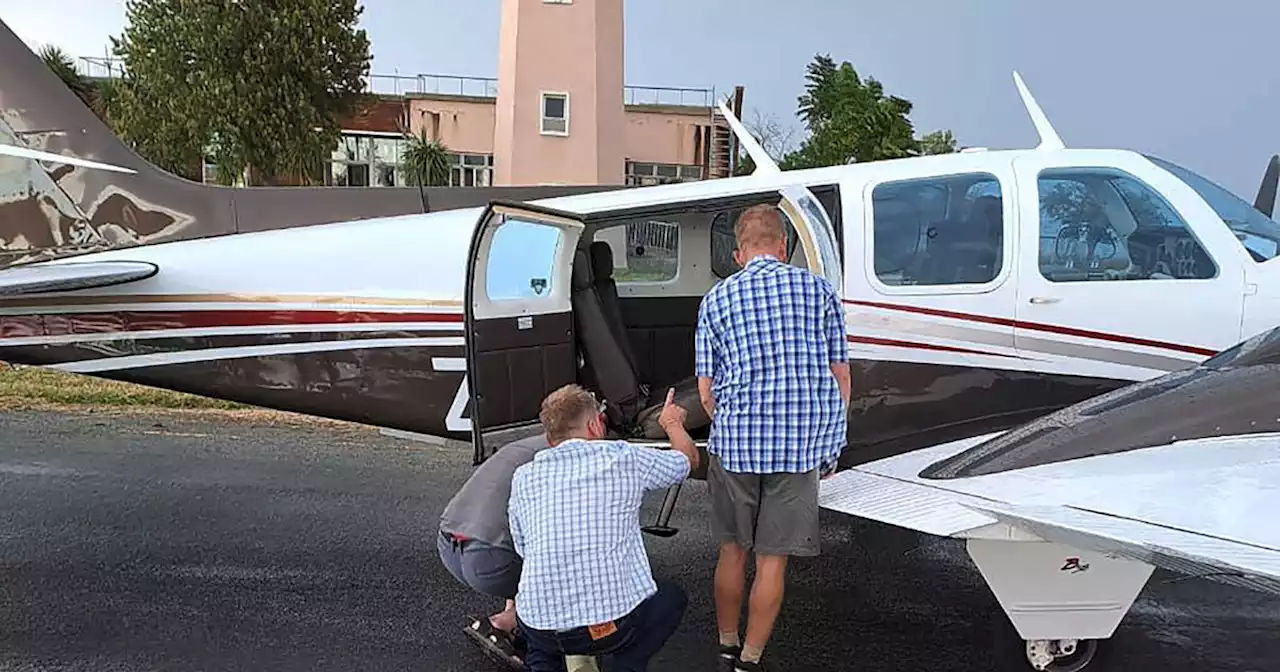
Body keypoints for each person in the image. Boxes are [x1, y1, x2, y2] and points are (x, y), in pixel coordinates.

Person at [695, 203, 851, 672]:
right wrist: (829, 442)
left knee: (732, 551)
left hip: (737, 445)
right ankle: (750, 660)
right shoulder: (819, 290)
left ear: (739, 252)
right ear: (783, 247)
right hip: (799, 446)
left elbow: (705, 391)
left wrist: (728, 422)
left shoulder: (717, 300)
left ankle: (725, 644)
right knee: (771, 560)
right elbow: (841, 378)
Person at [508, 384, 700, 672]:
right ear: (595, 425)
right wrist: (672, 423)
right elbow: (688, 461)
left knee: (542, 633)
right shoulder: (623, 457)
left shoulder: (524, 477)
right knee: (670, 599)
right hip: (609, 627)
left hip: (541, 625)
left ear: (550, 438)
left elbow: (523, 546)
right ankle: (625, 666)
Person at [438, 432, 551, 660]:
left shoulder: (526, 445)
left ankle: (509, 614)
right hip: (489, 560)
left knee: (516, 538)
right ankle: (514, 625)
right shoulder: (570, 457)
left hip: (448, 544)